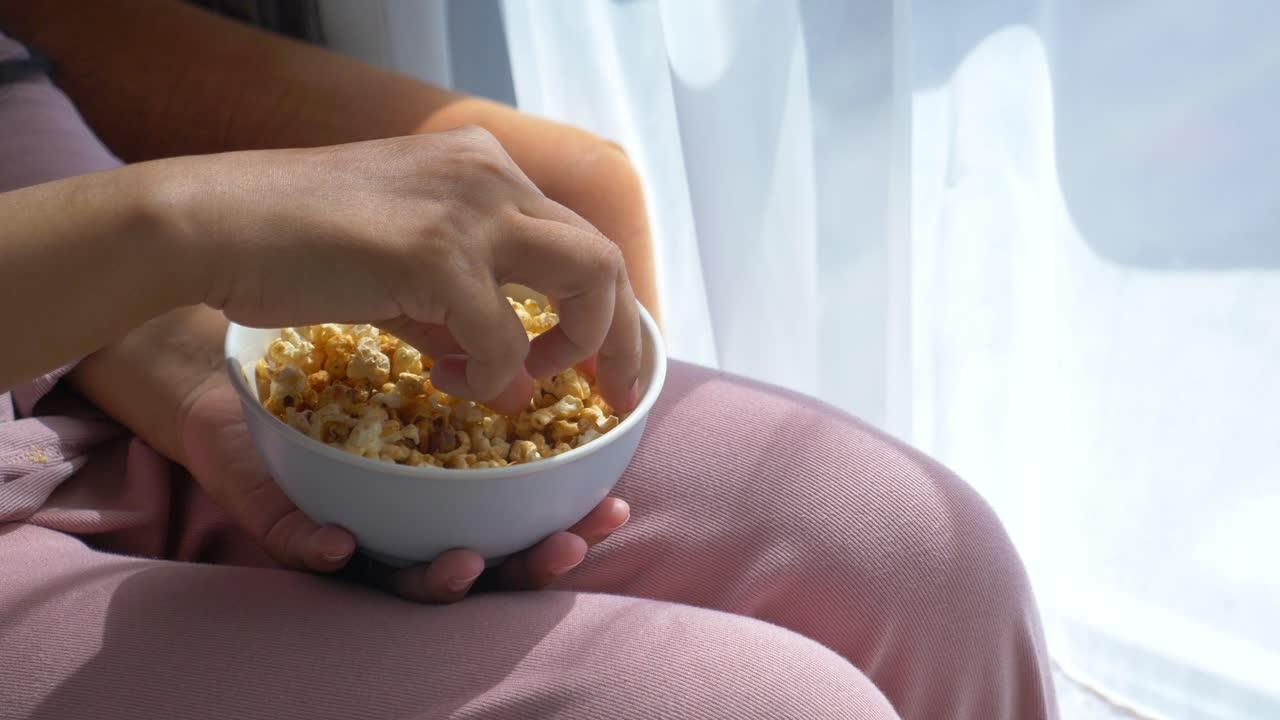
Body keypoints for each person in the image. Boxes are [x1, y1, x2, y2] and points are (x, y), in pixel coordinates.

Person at [0, 3, 1058, 719]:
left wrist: (165, 341)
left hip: (73, 354)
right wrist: (178, 230)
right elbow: (167, 235)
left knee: (923, 555)